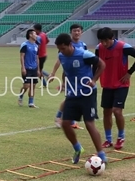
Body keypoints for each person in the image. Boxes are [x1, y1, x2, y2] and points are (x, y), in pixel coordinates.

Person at [55, 33, 107, 164]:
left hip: (87, 94)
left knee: (89, 124)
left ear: (70, 45)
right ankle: (77, 148)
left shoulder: (84, 54)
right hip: (72, 94)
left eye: (63, 48)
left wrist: (94, 80)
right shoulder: (61, 56)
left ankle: (101, 153)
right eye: (59, 49)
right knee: (65, 123)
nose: (61, 51)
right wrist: (63, 83)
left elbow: (102, 64)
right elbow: (65, 71)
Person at [49, 24, 98, 129]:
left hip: (82, 78)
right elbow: (59, 59)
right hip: (69, 76)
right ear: (71, 32)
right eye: (74, 31)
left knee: (75, 99)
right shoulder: (65, 44)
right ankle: (59, 117)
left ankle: (71, 121)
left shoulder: (83, 45)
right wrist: (53, 73)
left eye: (78, 31)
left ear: (81, 32)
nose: (77, 33)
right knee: (69, 98)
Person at [96, 27, 135, 150]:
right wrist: (93, 79)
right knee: (106, 112)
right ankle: (108, 139)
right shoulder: (99, 48)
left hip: (121, 85)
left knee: (117, 111)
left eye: (105, 41)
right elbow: (95, 64)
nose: (103, 43)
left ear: (112, 38)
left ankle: (121, 137)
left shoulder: (123, 47)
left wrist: (129, 72)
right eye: (101, 41)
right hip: (107, 84)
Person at [18, 29, 40, 108]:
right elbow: (22, 56)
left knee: (33, 85)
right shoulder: (25, 45)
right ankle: (20, 96)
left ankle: (31, 103)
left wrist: (38, 69)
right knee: (26, 86)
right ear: (30, 35)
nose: (36, 35)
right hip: (27, 68)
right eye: (35, 34)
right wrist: (23, 68)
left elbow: (37, 58)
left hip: (34, 68)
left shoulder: (36, 45)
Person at [34, 23, 50, 88]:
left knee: (38, 70)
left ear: (37, 30)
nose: (34, 31)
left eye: (34, 30)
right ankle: (47, 75)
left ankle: (45, 83)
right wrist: (44, 45)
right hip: (44, 55)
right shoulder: (44, 34)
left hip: (40, 56)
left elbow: (38, 47)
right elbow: (47, 41)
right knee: (38, 69)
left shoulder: (38, 37)